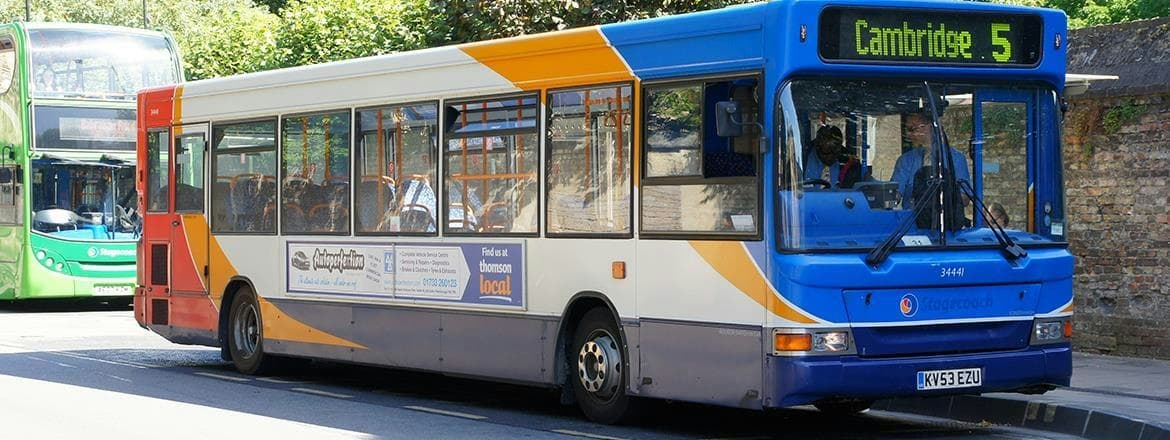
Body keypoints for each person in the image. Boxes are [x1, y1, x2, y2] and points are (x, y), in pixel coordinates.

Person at [890, 112, 971, 200]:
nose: (909, 134)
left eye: (912, 129)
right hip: (912, 209)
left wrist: (942, 198)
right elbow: (895, 192)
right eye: (907, 130)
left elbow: (965, 197)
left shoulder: (955, 158)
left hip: (943, 209)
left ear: (930, 127)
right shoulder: (905, 160)